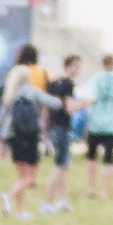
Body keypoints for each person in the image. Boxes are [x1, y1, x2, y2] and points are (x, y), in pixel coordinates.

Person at [0, 46, 50, 218]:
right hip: (29, 135)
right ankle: (8, 196)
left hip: (14, 136)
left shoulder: (9, 95)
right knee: (30, 178)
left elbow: (2, 117)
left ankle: (20, 211)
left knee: (20, 176)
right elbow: (52, 102)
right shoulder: (31, 89)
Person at [82, 51, 113, 199]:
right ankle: (104, 191)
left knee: (91, 157)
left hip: (96, 122)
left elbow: (90, 99)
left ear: (102, 64)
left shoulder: (95, 79)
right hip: (112, 124)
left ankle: (91, 187)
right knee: (109, 159)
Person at [41, 52, 81, 213]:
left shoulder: (53, 83)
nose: (78, 70)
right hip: (62, 127)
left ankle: (61, 199)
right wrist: (85, 103)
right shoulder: (68, 84)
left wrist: (45, 126)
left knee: (64, 164)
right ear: (69, 66)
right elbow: (69, 108)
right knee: (59, 165)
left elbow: (46, 106)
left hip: (53, 126)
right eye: (77, 66)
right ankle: (47, 201)